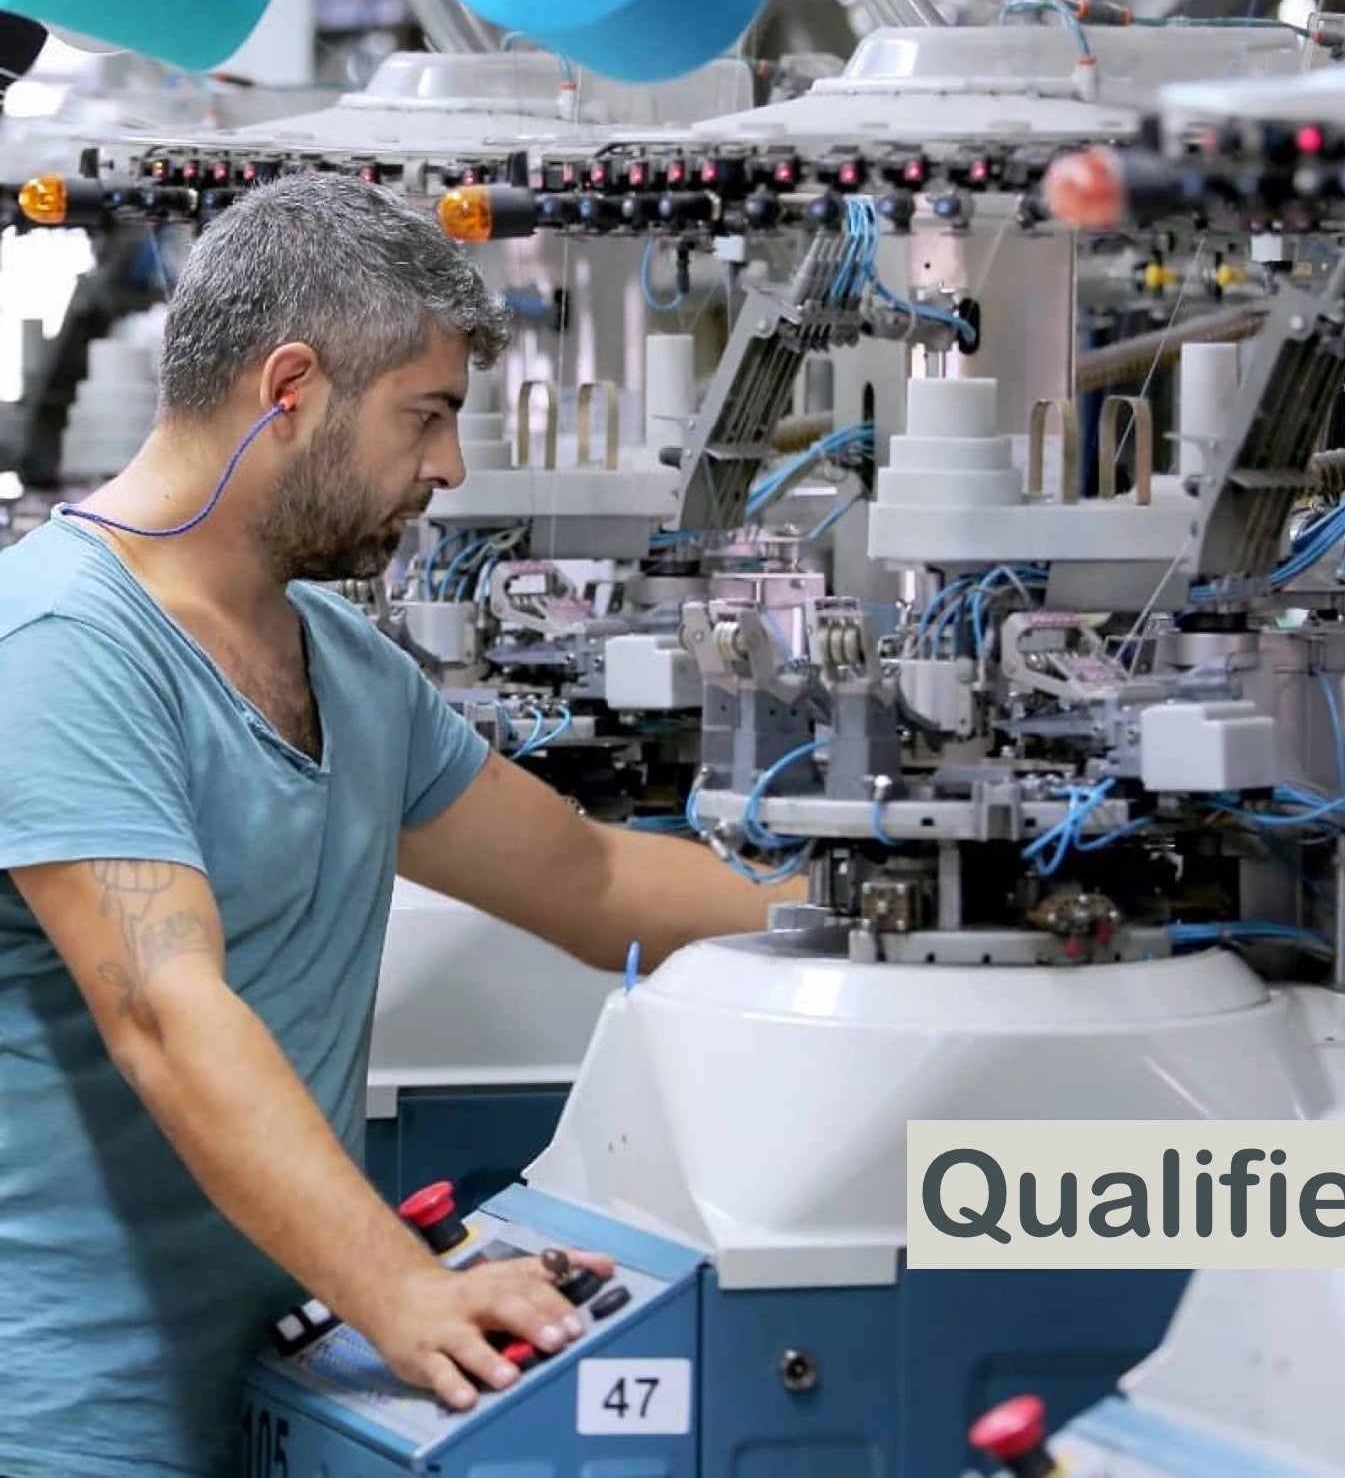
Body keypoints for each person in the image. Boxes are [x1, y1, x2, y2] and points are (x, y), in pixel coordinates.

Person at [0, 172, 805, 1478]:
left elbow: (590, 880)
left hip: (286, 1399)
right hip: (69, 1427)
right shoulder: (60, 645)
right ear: (292, 388)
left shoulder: (337, 659)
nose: (450, 466)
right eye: (424, 416)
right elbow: (165, 1013)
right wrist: (402, 1287)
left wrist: (888, 921)